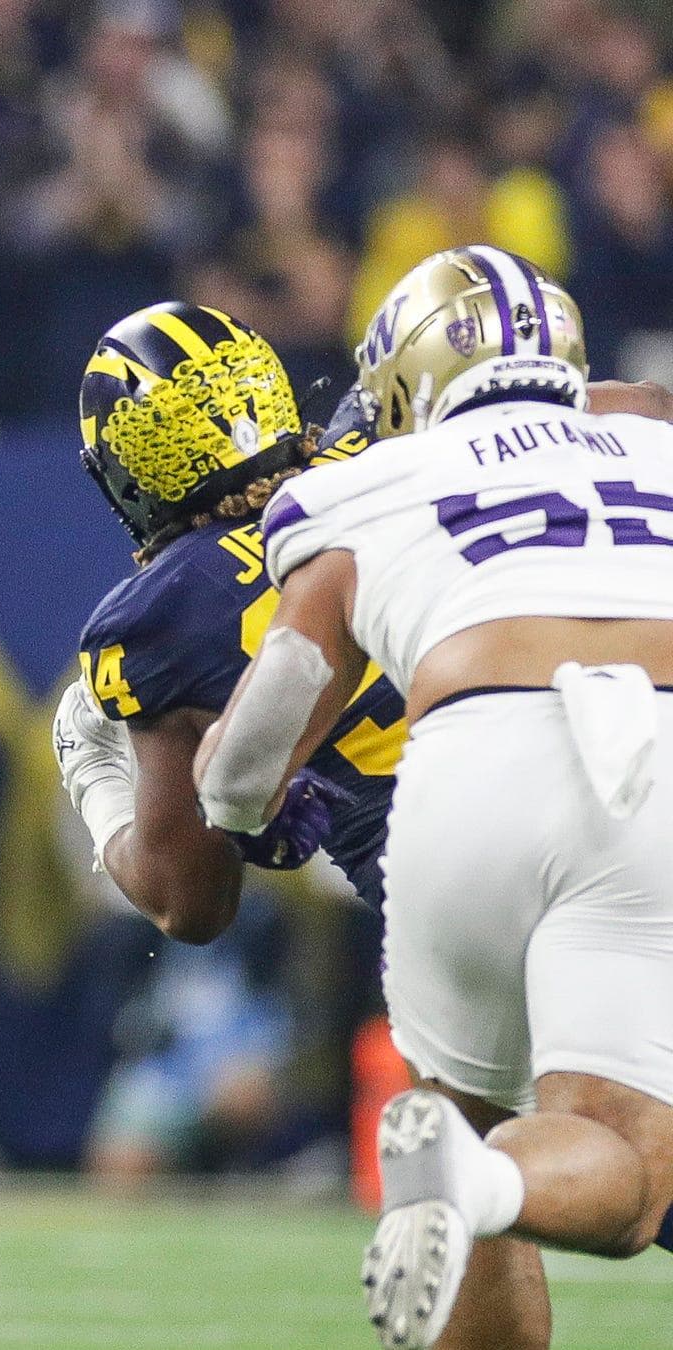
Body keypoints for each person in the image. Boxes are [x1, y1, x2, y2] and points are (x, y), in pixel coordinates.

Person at [194, 246, 673, 1350]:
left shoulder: (361, 485)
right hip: (646, 754)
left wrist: (238, 805)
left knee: (471, 1129)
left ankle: (463, 1167)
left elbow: (240, 774)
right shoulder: (651, 436)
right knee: (624, 1171)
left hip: (464, 773)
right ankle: (476, 1180)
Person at [52, 301, 406, 948]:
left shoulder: (163, 615)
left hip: (444, 884)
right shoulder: (390, 428)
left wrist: (93, 776)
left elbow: (187, 903)